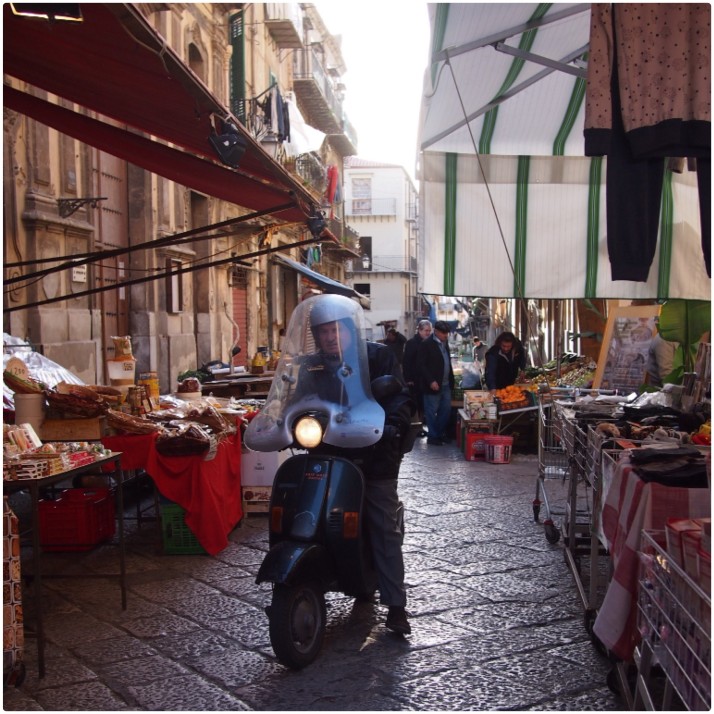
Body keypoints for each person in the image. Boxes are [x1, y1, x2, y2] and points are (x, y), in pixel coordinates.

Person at [294, 295, 415, 635]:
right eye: (323, 332)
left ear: (348, 330)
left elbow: (400, 398)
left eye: (336, 330)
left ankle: (395, 604)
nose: (330, 337)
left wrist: (393, 424)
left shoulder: (377, 357)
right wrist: (282, 420)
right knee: (305, 513)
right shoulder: (310, 366)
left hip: (374, 456)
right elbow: (295, 400)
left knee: (383, 524)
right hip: (327, 454)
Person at [417, 320, 455, 445]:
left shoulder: (445, 343)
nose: (446, 335)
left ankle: (439, 433)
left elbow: (446, 360)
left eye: (447, 333)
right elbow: (421, 365)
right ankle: (433, 436)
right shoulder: (426, 344)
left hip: (445, 384)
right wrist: (431, 381)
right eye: (444, 333)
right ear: (436, 332)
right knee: (431, 411)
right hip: (433, 384)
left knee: (446, 410)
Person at [402, 320, 433, 437]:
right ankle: (416, 428)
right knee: (416, 405)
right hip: (414, 380)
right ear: (419, 330)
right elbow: (407, 361)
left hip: (424, 380)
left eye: (429, 331)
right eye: (426, 331)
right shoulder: (412, 343)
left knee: (422, 405)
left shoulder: (429, 342)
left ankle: (420, 427)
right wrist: (408, 378)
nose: (428, 333)